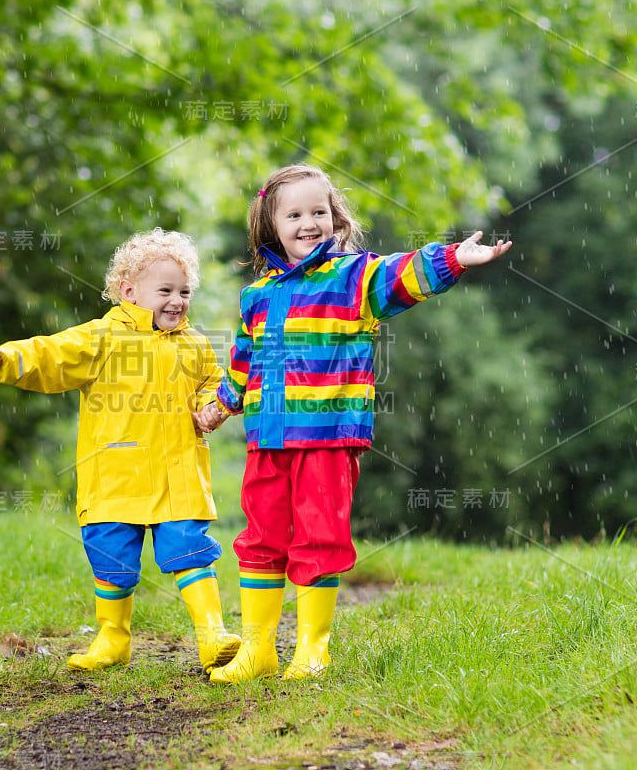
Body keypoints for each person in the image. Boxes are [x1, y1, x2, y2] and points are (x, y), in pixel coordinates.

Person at [194, 164, 511, 684]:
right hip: (267, 438)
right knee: (261, 539)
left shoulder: (352, 278)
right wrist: (219, 405)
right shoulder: (257, 296)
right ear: (271, 225)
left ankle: (313, 648)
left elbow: (400, 274)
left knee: (319, 538)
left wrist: (452, 258)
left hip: (327, 437)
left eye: (318, 211)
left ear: (334, 217)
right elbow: (243, 364)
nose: (307, 223)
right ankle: (258, 649)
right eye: (293, 214)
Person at [0, 227, 240, 673]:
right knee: (112, 556)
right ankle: (113, 637)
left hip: (178, 472)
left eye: (185, 291)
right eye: (165, 290)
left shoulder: (194, 345)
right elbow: (54, 354)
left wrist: (213, 409)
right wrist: (11, 358)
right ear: (129, 292)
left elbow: (214, 385)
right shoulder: (102, 338)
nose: (177, 300)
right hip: (116, 472)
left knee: (189, 548)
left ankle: (212, 632)